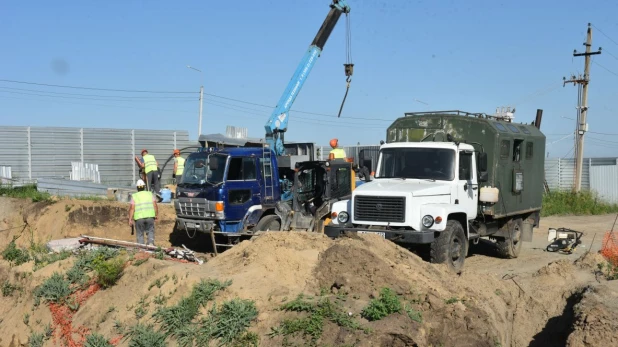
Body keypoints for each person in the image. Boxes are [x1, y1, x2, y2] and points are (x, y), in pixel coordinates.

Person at [128, 179, 158, 246]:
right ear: (144, 187)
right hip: (150, 217)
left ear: (137, 187)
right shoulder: (150, 194)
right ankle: (150, 243)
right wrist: (156, 215)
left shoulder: (134, 196)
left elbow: (132, 208)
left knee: (140, 233)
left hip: (139, 218)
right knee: (150, 231)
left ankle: (141, 248)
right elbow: (155, 205)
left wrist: (130, 219)